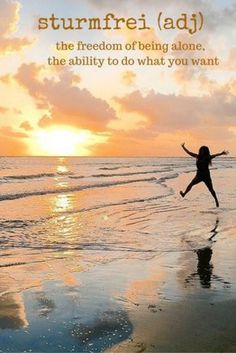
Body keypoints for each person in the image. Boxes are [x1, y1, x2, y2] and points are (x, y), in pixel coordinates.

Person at [180, 143, 229, 207]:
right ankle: (184, 194)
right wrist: (183, 147)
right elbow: (189, 152)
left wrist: (221, 153)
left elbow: (215, 155)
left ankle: (216, 201)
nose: (202, 151)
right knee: (191, 184)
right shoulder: (197, 156)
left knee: (211, 189)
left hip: (206, 175)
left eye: (204, 150)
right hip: (199, 175)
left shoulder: (208, 157)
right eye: (201, 150)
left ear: (206, 151)